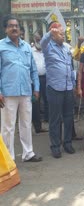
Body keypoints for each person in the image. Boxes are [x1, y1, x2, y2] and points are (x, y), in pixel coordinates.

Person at [0, 15, 42, 162]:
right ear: (6, 29)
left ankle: (28, 153)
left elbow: (34, 70)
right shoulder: (1, 46)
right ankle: (8, 158)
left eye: (16, 26)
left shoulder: (26, 47)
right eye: (11, 26)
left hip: (25, 91)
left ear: (19, 29)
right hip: (7, 93)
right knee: (8, 127)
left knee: (25, 123)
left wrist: (36, 88)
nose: (14, 28)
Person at [41, 22, 76, 158]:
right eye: (60, 34)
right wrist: (51, 33)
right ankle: (55, 146)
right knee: (55, 118)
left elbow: (70, 66)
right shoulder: (47, 47)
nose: (63, 36)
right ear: (54, 35)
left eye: (63, 34)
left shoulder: (67, 47)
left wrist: (73, 84)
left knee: (68, 117)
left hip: (68, 87)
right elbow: (43, 41)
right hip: (55, 88)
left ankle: (67, 143)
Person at [31, 31, 49, 133]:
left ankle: (48, 120)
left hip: (46, 78)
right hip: (34, 79)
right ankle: (38, 126)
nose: (37, 41)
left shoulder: (46, 50)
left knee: (47, 100)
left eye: (39, 39)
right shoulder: (30, 50)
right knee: (35, 102)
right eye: (36, 39)